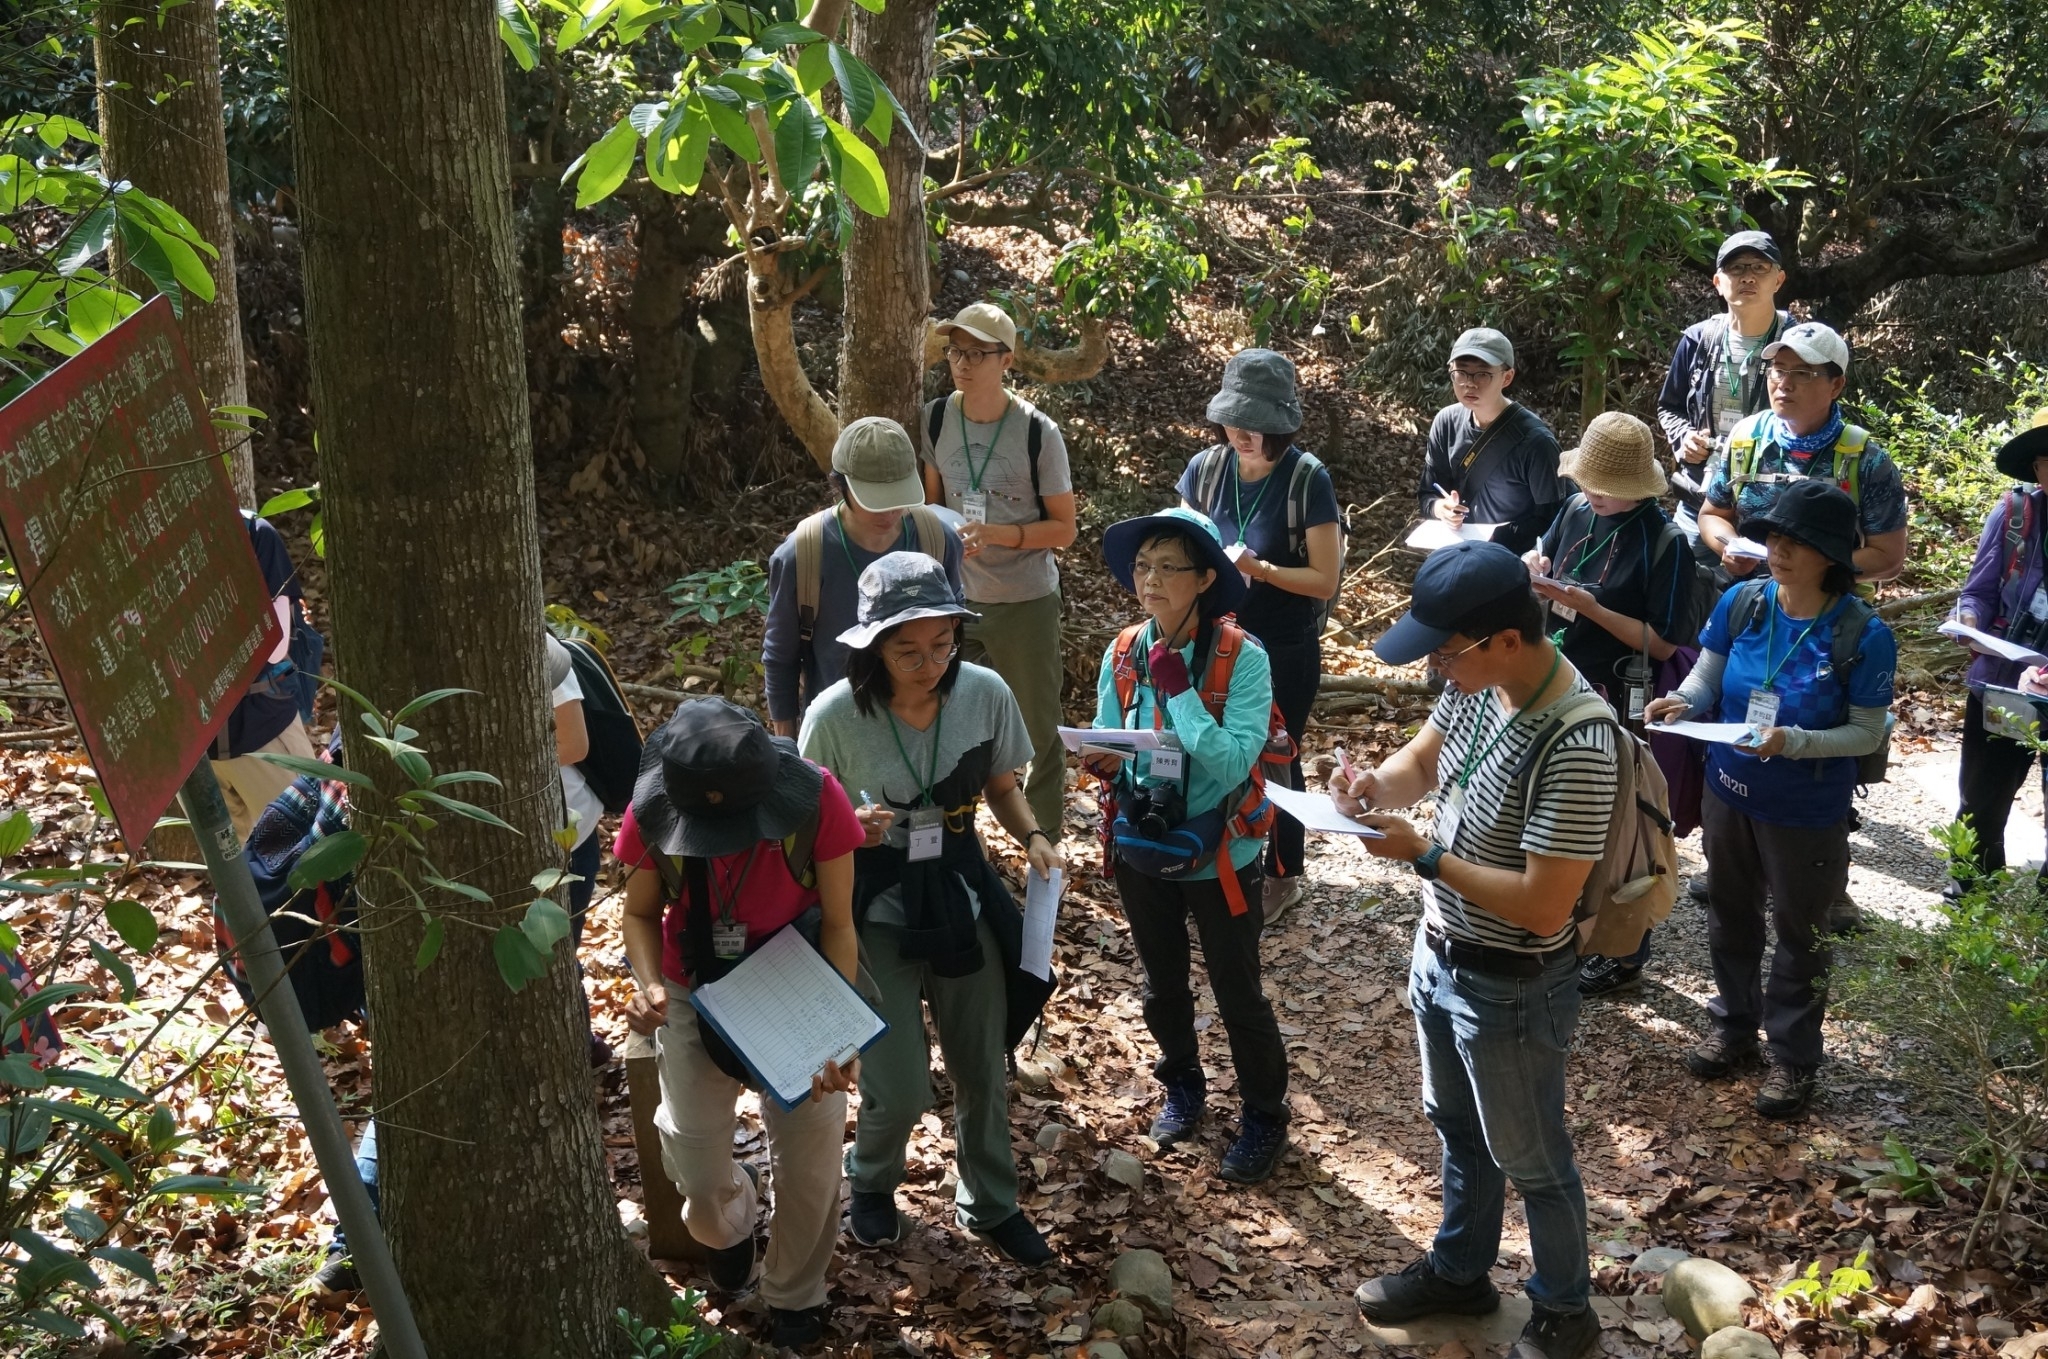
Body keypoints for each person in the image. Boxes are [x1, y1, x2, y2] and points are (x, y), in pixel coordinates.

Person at [1334, 541, 1616, 1359]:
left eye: (1447, 652)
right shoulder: (1474, 686)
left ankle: (1567, 1307)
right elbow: (1423, 761)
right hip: (1442, 950)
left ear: (1506, 639)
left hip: (1513, 980)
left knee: (1531, 1154)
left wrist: (1422, 855)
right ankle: (1461, 1270)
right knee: (1457, 1126)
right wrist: (1371, 790)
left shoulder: (1577, 739)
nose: (1438, 667)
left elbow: (1543, 904)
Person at [798, 552, 1061, 1267]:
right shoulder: (832, 717)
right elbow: (805, 828)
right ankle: (873, 1182)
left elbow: (1003, 785)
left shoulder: (984, 692)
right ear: (872, 647)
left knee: (982, 1060)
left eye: (944, 644)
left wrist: (1034, 835)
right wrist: (855, 825)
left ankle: (992, 1202)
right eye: (908, 649)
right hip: (869, 907)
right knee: (900, 1081)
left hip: (957, 890)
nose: (929, 662)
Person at [613, 699, 865, 1350]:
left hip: (796, 976)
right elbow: (639, 912)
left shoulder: (816, 803)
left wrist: (838, 1030)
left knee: (811, 1153)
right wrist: (647, 987)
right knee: (691, 1153)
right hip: (695, 982)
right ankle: (729, 1219)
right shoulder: (652, 813)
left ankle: (795, 1293)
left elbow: (840, 923)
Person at [1645, 481, 1895, 1120]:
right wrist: (1684, 703)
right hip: (1731, 792)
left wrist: (1792, 742)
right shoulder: (1743, 602)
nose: (1777, 550)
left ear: (1830, 555)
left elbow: (1867, 731)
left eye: (1796, 542)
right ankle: (1732, 1027)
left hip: (1806, 811)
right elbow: (1707, 676)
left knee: (1800, 933)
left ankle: (1794, 1059)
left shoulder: (1861, 634)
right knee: (1729, 914)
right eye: (1774, 537)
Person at [1085, 506, 1291, 1183]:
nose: (1149, 579)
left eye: (1167, 567)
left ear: (1204, 578)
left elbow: (1232, 761)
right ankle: (1182, 1084)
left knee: (1238, 991)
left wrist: (1177, 689)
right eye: (1142, 565)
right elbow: (1109, 735)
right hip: (1146, 845)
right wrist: (1102, 759)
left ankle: (1264, 1114)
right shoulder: (1122, 651)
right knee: (1161, 983)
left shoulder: (1245, 657)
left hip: (1222, 851)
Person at [1694, 320, 1907, 928]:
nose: (1782, 384)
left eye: (1800, 373)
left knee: (1817, 737)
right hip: (1748, 611)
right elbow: (1714, 513)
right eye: (1775, 371)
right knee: (1738, 729)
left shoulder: (1864, 458)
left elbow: (1889, 556)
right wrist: (1728, 543)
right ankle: (1734, 861)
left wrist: (1814, 571)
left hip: (1826, 621)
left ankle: (1821, 880)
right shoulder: (1746, 437)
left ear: (1835, 383)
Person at [1524, 412, 1696, 997]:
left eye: (1607, 488)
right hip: (1559, 677)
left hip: (1622, 690)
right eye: (1588, 482)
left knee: (1621, 823)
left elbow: (1665, 640)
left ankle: (1624, 948)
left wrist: (1592, 608)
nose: (1594, 495)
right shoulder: (1575, 511)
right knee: (1558, 807)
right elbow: (1547, 558)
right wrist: (1536, 570)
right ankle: (1563, 928)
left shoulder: (1666, 541)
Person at [1177, 350, 1341, 926]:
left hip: (1283, 641)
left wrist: (1261, 568)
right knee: (1212, 751)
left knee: (1277, 755)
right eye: (1232, 421)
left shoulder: (1306, 479)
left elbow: (1325, 578)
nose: (1241, 434)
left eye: (1255, 423)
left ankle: (1283, 872)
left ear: (1281, 422)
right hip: (1215, 635)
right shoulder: (1207, 469)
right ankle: (1214, 854)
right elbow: (1182, 540)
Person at [920, 302, 1079, 843]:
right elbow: (932, 503)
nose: (961, 364)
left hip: (1024, 599)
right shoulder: (937, 418)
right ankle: (950, 836)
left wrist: (997, 535)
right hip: (955, 598)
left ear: (1006, 360)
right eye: (954, 351)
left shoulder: (1038, 433)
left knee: (1036, 728)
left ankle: (1045, 844)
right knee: (943, 719)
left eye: (976, 353)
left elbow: (1064, 529)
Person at [764, 417, 965, 736]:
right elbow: (780, 658)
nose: (888, 513)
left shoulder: (937, 540)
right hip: (840, 733)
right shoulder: (803, 554)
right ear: (840, 485)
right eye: (875, 501)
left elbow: (952, 635)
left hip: (928, 730)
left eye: (897, 497)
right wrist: (788, 750)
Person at [1945, 409, 2048, 896]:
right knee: (1983, 796)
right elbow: (1979, 592)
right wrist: (1970, 625)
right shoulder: (2014, 515)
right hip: (2008, 679)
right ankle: (1971, 894)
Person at [1657, 230, 1793, 551]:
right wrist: (1683, 438)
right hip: (1700, 500)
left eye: (1760, 267)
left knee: (1762, 597)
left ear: (1779, 279)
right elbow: (1670, 406)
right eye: (1736, 268)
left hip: (1773, 507)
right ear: (1717, 282)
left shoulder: (1798, 344)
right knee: (1687, 590)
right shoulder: (1697, 339)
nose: (1748, 277)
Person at [210, 510, 317, 840]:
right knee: (308, 844)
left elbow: (273, 643)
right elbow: (274, 644)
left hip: (218, 737)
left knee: (244, 870)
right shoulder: (253, 531)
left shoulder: (250, 531)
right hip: (250, 732)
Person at [1415, 328, 1564, 557]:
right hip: (1455, 558)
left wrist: (1498, 538)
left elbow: (1553, 521)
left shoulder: (1536, 442)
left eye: (1482, 374)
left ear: (1507, 377)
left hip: (1510, 566)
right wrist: (1440, 509)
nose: (1469, 384)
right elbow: (1428, 494)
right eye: (1461, 372)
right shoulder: (1446, 423)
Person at [547, 636, 612, 1066]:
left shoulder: (540, 651)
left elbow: (573, 744)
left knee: (556, 951)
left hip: (568, 832)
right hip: (511, 834)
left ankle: (574, 1048)